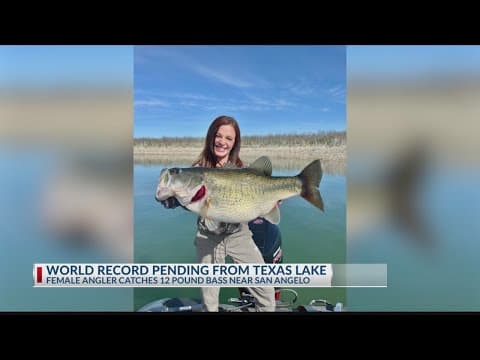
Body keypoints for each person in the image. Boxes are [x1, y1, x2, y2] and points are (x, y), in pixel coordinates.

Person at [160, 115, 276, 312]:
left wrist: (270, 203)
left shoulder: (243, 170)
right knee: (210, 303)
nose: (222, 142)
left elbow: (254, 204)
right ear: (210, 136)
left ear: (234, 143)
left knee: (266, 295)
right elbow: (184, 199)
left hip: (239, 236)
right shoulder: (197, 170)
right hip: (208, 237)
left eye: (228, 138)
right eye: (218, 136)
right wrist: (170, 199)